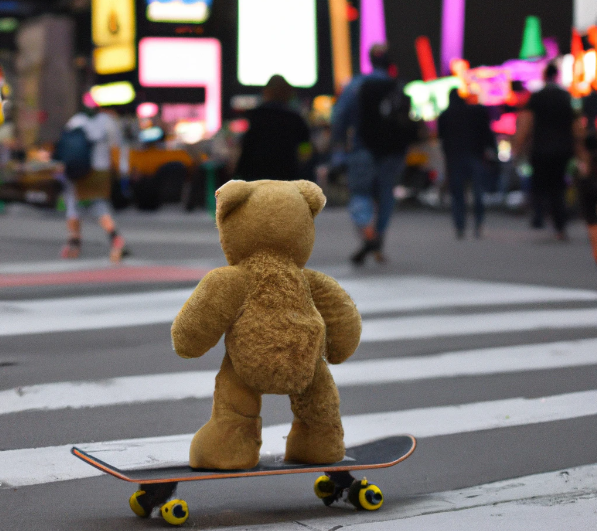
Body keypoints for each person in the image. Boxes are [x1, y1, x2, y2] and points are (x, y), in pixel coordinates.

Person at [330, 43, 414, 265]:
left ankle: (368, 234)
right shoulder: (398, 87)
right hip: (394, 151)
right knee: (386, 194)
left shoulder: (357, 86)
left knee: (360, 193)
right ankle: (378, 241)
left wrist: (337, 145)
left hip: (363, 148)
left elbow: (339, 117)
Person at [512, 63, 576, 240]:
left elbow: (526, 123)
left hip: (540, 148)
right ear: (557, 76)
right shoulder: (566, 97)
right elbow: (575, 125)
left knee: (539, 185)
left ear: (544, 76)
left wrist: (517, 147)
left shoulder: (537, 97)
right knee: (558, 187)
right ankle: (560, 225)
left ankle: (539, 217)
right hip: (563, 149)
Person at [55, 105, 128, 261]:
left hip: (79, 168)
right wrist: (122, 169)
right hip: (101, 170)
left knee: (72, 203)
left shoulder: (76, 120)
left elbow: (66, 145)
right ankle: (115, 237)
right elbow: (118, 145)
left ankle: (74, 242)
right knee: (99, 205)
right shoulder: (108, 121)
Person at [438, 88, 496, 239]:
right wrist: (492, 151)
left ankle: (460, 226)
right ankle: (478, 224)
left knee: (458, 195)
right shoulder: (476, 112)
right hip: (476, 157)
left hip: (455, 159)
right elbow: (487, 133)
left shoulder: (445, 115)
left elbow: (442, 139)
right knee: (478, 193)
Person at [234, 74, 312, 181]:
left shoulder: (256, 116)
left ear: (266, 92)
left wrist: (238, 174)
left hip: (256, 178)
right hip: (287, 178)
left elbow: (246, 148)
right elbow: (305, 149)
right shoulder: (295, 119)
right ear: (288, 94)